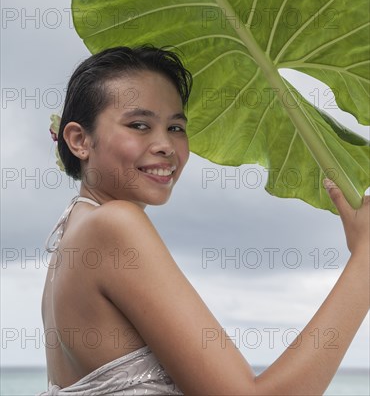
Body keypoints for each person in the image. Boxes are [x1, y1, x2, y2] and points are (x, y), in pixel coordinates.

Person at [40, 45, 369, 395]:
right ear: (78, 139)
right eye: (139, 125)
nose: (166, 145)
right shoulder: (115, 224)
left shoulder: (71, 231)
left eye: (176, 128)